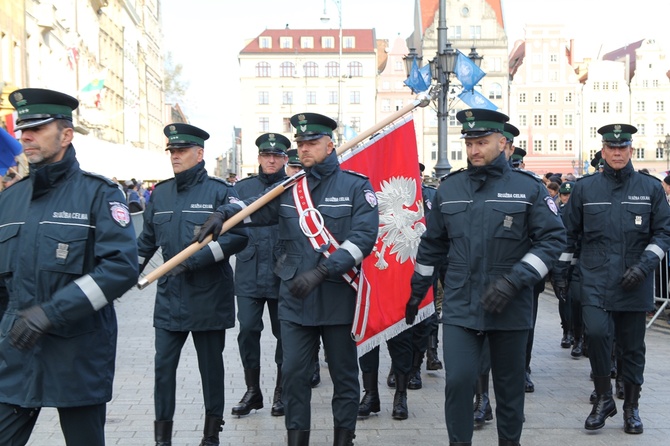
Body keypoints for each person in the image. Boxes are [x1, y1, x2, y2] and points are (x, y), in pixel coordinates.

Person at [195, 112, 379, 446]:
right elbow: (254, 208)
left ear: (330, 145)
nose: (304, 149)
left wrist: (324, 270)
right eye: (301, 143)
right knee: (293, 375)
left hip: (338, 295)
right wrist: (223, 214)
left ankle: (344, 439)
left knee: (344, 376)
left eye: (311, 143)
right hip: (295, 299)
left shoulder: (356, 186)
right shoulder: (291, 189)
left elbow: (363, 240)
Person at [405, 108, 565, 446]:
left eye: (482, 142)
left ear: (503, 143)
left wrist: (515, 280)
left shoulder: (528, 189)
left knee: (509, 390)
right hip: (462, 305)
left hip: (510, 308)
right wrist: (418, 290)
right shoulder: (451, 188)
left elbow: (553, 240)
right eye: (470, 143)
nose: (475, 150)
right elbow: (432, 244)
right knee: (459, 381)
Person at [0, 88, 138, 445]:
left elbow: (120, 269)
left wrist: (51, 312)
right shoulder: (11, 198)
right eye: (22, 129)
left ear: (65, 135)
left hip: (77, 353)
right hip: (17, 353)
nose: (25, 136)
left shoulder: (99, 194)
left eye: (37, 128)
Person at [136, 123, 248, 446]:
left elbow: (240, 236)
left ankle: (211, 434)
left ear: (199, 154)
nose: (175, 156)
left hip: (208, 296)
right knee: (163, 369)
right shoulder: (160, 193)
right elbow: (146, 243)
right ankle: (162, 438)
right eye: (172, 151)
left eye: (182, 151)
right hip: (170, 298)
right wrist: (124, 273)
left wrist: (196, 260)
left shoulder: (219, 192)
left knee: (211, 370)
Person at [554, 123, 670, 434]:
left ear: (631, 150)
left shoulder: (651, 188)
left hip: (635, 281)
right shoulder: (585, 189)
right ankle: (604, 398)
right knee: (596, 336)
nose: (617, 153)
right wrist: (561, 273)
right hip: (594, 279)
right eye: (611, 148)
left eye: (622, 148)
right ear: (603, 150)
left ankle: (631, 408)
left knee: (632, 348)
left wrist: (645, 266)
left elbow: (663, 233)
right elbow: (569, 235)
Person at [230, 133, 288, 418]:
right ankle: (253, 391)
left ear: (285, 160)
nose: (271, 159)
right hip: (249, 271)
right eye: (267, 155)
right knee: (248, 330)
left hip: (283, 270)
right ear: (259, 158)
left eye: (277, 156)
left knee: (285, 335)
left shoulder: (294, 187)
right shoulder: (242, 189)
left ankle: (281, 392)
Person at [285, 147, 322, 388]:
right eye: (293, 168)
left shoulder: (349, 186)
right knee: (292, 367)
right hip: (291, 279)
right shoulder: (284, 193)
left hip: (329, 282)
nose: (297, 172)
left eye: (300, 168)